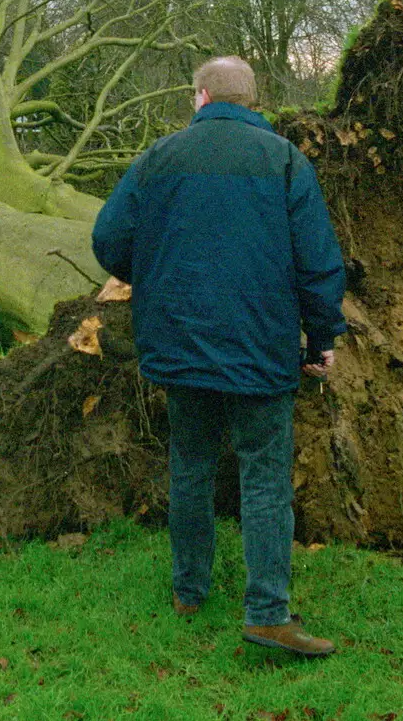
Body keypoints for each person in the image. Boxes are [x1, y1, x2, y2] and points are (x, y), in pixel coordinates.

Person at [91, 56, 347, 657]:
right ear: (251, 101)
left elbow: (108, 239)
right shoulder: (285, 160)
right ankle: (266, 612)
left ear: (200, 96)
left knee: (191, 466)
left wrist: (150, 271)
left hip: (179, 343)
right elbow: (317, 262)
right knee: (263, 478)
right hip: (262, 348)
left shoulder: (160, 158)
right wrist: (323, 337)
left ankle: (189, 591)